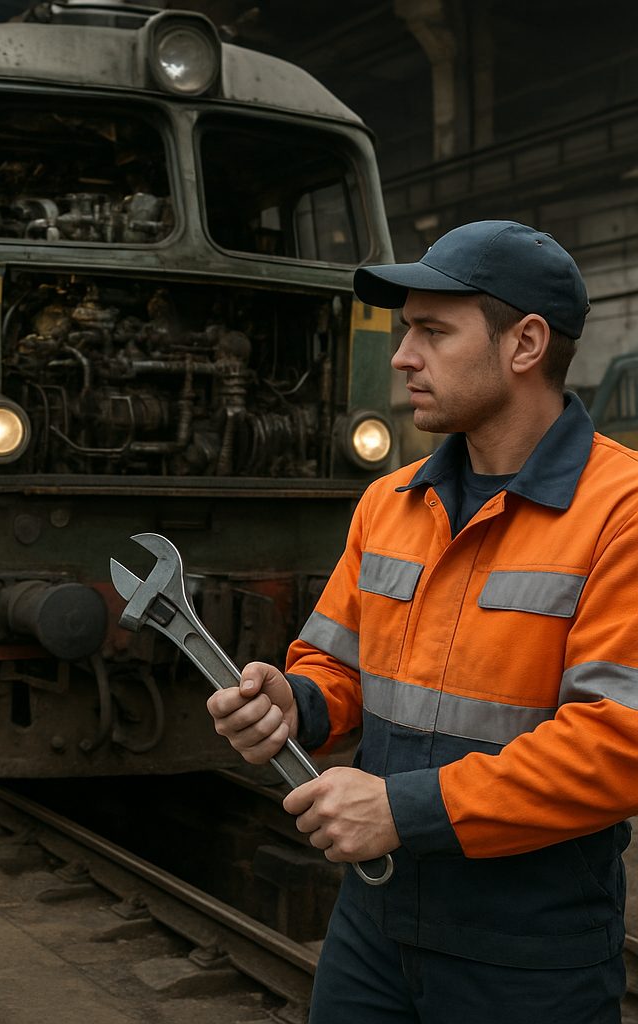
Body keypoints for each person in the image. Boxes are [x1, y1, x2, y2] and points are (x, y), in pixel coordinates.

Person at [207, 221, 638, 1023]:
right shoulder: (391, 502)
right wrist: (294, 702)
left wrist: (403, 810)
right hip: (372, 931)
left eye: (433, 332)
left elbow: (619, 745)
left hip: (526, 953)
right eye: (407, 331)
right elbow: (337, 666)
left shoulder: (621, 514)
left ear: (525, 343)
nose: (403, 357)